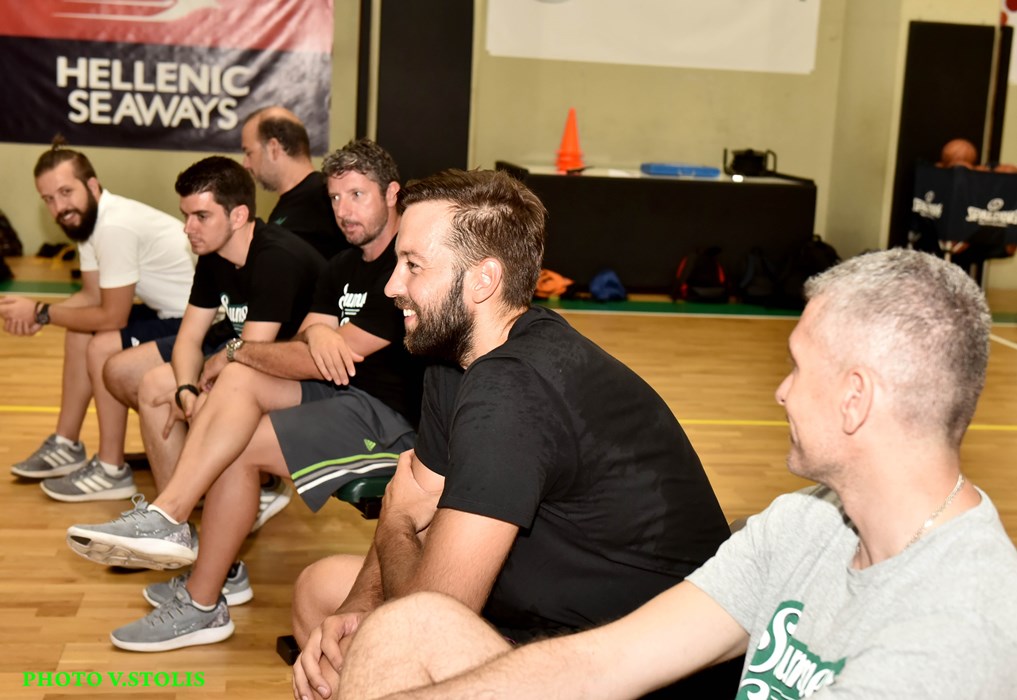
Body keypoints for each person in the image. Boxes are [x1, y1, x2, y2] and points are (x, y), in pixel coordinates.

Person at [332, 248, 1017, 700]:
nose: (781, 392)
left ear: (854, 399)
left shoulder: (956, 629)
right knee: (409, 629)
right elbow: (607, 662)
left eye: (797, 368)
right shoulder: (803, 525)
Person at [284, 169, 732, 699]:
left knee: (390, 644)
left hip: (626, 667)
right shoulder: (454, 356)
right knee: (321, 594)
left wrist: (393, 524)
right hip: (539, 616)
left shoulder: (513, 388)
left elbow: (426, 617)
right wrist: (362, 600)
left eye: (413, 266)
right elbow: (418, 499)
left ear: (483, 280)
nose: (391, 286)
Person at [64, 140, 424, 652]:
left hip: (386, 421)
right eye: (335, 197)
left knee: (237, 417)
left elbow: (320, 356)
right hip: (336, 397)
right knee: (235, 393)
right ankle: (174, 529)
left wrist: (254, 349)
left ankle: (197, 588)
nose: (344, 210)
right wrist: (314, 337)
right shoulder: (342, 265)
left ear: (391, 194)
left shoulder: (405, 269)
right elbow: (310, 340)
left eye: (357, 195)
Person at [98, 155, 325, 505]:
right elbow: (189, 338)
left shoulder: (276, 258)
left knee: (164, 388)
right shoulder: (213, 253)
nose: (188, 228)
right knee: (148, 382)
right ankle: (179, 513)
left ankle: (227, 488)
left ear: (238, 216)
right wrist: (186, 390)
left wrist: (199, 393)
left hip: (291, 374)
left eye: (201, 216)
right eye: (186, 215)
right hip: (237, 351)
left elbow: (248, 357)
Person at [2, 140, 194, 502]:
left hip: (201, 322)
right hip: (171, 313)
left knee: (103, 344)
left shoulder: (114, 226)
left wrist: (42, 311)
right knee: (80, 331)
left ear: (92, 185)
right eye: (49, 199)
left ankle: (111, 469)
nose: (59, 208)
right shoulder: (91, 222)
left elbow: (112, 315)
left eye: (65, 192)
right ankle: (66, 443)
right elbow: (91, 297)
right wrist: (39, 316)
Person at [241, 106, 348, 260]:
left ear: (273, 148)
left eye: (249, 152)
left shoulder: (326, 197)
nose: (245, 164)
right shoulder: (283, 207)